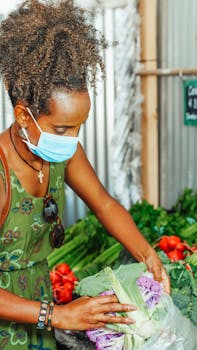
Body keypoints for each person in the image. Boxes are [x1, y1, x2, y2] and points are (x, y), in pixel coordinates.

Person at [0, 0, 170, 349]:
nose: (73, 140)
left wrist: (147, 255)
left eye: (79, 127)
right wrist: (57, 315)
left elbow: (105, 205)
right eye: (62, 128)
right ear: (22, 116)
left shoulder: (62, 152)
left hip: (38, 312)